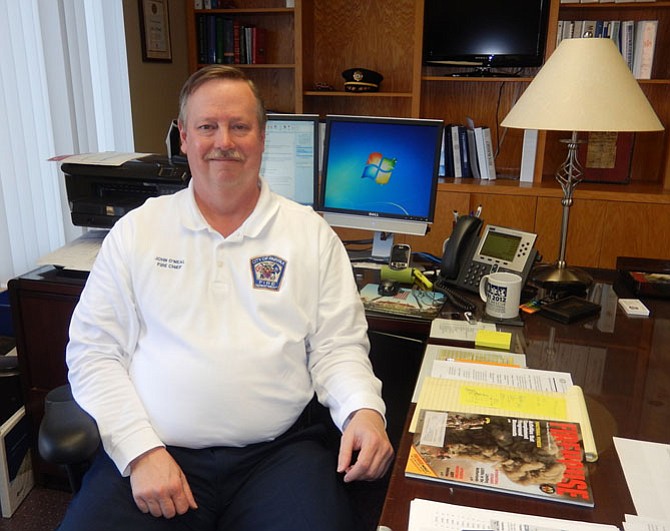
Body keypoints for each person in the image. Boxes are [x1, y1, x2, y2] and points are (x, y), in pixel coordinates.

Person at [60, 65, 394, 531]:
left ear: (262, 136)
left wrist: (363, 410)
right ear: (183, 137)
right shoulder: (139, 230)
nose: (224, 141)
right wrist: (139, 451)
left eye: (240, 126)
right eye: (207, 127)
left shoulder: (310, 235)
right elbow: (93, 353)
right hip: (157, 451)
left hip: (278, 457)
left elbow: (337, 347)